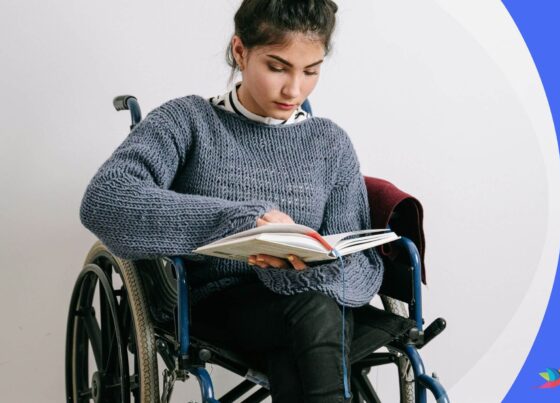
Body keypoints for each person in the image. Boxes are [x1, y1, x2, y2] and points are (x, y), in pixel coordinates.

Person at [79, 1, 386, 401]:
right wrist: (241, 224)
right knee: (313, 315)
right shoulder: (188, 121)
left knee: (307, 325)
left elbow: (360, 267)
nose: (294, 89)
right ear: (240, 51)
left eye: (311, 71)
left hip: (311, 308)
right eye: (277, 67)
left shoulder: (329, 143)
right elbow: (105, 199)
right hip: (213, 304)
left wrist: (299, 267)